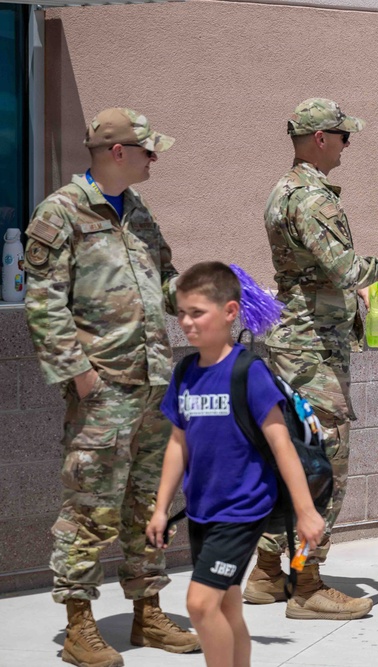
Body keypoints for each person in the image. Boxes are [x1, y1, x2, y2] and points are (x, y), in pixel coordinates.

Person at [22, 107, 199, 667]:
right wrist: (81, 375)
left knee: (150, 501)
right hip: (102, 390)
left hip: (151, 384)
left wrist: (203, 291)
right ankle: (79, 622)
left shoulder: (138, 210)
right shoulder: (62, 212)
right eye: (149, 150)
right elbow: (44, 304)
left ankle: (147, 612)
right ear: (117, 152)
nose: (155, 159)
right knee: (89, 504)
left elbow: (164, 278)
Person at [246, 98, 378, 618]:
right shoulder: (313, 199)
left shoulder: (282, 191)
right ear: (319, 138)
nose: (347, 144)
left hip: (295, 337)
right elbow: (344, 268)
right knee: (325, 460)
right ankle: (307, 583)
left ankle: (268, 574)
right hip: (312, 345)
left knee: (293, 455)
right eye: (343, 135)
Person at [147, 262, 326, 667]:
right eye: (182, 314)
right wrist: (161, 508)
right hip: (202, 512)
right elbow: (177, 443)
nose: (187, 323)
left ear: (230, 312)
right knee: (226, 608)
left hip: (242, 511)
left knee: (199, 604)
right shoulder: (185, 373)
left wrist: (306, 511)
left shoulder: (249, 372)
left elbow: (282, 446)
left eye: (198, 313)